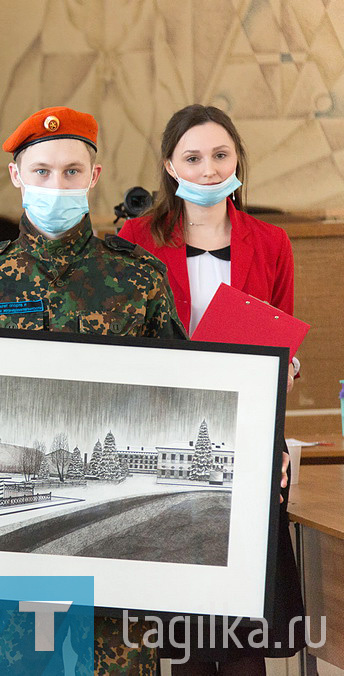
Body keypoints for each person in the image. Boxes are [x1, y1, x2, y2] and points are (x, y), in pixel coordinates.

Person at [0, 106, 187, 675]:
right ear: (16, 177)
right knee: (35, 665)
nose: (57, 184)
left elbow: (181, 391)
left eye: (72, 172)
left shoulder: (138, 279)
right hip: (22, 562)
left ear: (94, 177)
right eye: (42, 171)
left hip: (119, 560)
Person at [118, 104, 304, 675]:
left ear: (237, 159)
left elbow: (285, 336)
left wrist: (287, 365)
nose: (207, 169)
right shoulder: (134, 238)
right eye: (192, 158)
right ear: (169, 166)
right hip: (171, 436)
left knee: (245, 636)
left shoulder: (271, 242)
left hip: (247, 438)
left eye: (220, 155)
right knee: (187, 640)